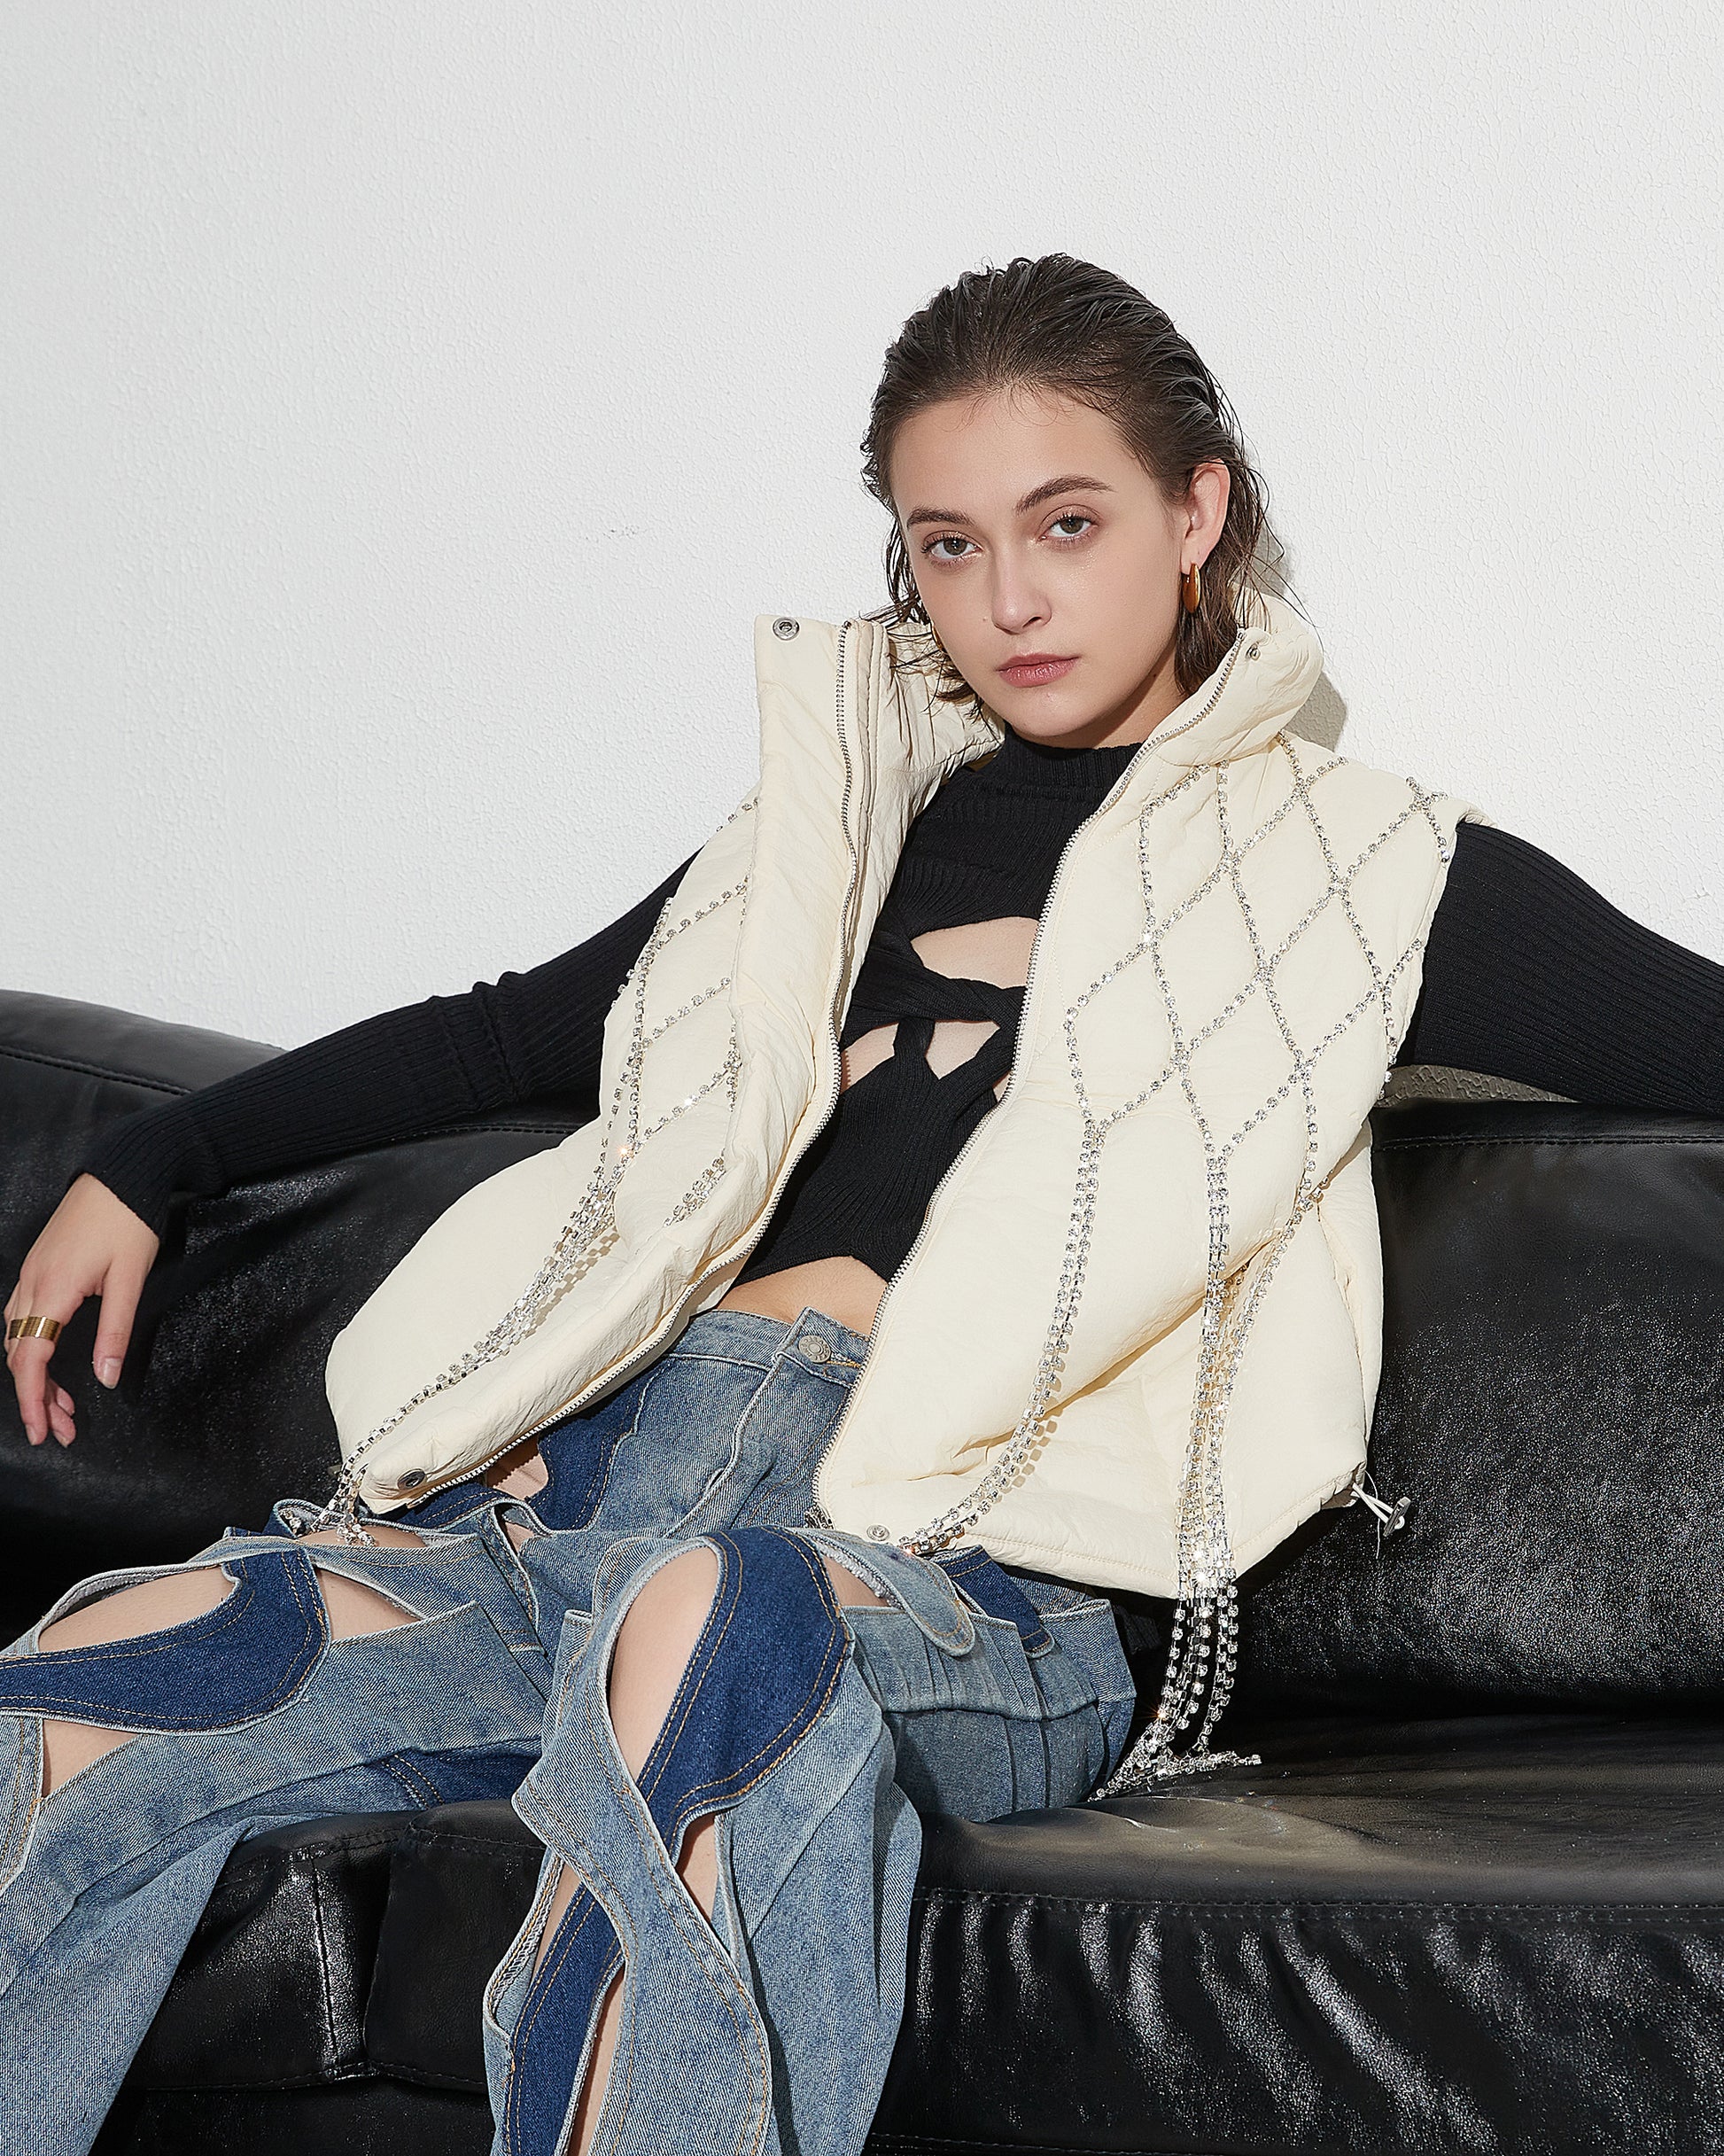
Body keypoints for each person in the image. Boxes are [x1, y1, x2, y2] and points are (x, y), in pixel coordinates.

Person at [4, 253, 1722, 2156]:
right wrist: (148, 1161)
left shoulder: (1360, 874)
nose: (1009, 600)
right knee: (94, 1679)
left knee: (713, 1629)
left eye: (1065, 525)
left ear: (1195, 512)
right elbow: (507, 1029)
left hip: (956, 1580)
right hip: (575, 1517)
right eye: (947, 544)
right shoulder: (824, 849)